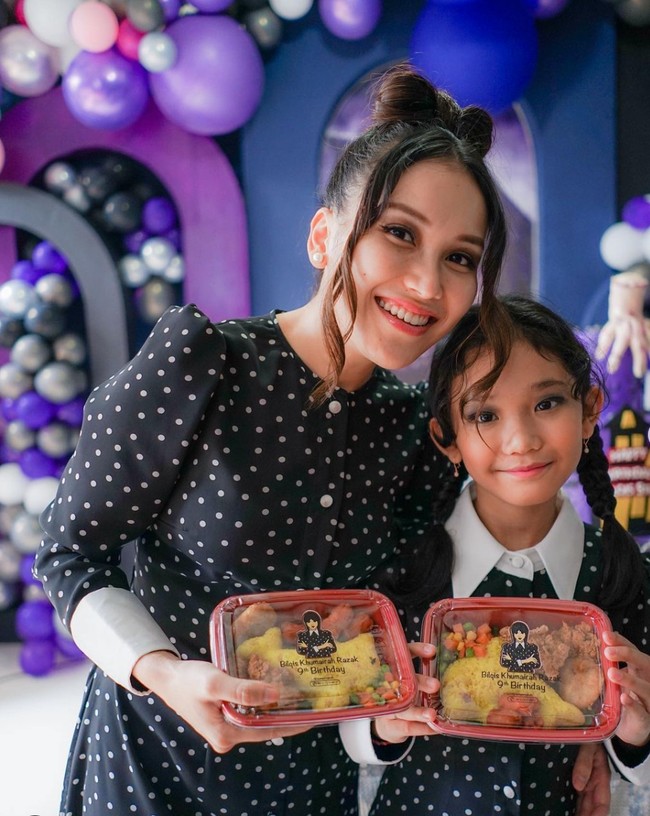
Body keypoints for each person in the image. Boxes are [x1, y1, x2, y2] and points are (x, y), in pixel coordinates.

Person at [32, 63, 510, 816]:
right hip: (155, 771)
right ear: (324, 237)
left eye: (459, 257)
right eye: (399, 233)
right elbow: (69, 555)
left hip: (313, 789)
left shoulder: (414, 430)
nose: (427, 284)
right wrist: (163, 671)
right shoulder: (202, 364)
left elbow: (396, 628)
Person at [344, 295, 650, 816]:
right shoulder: (401, 570)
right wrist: (381, 725)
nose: (521, 439)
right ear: (446, 437)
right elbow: (351, 725)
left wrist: (637, 731)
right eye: (485, 414)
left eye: (547, 403)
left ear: (589, 409)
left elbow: (637, 764)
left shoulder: (622, 575)